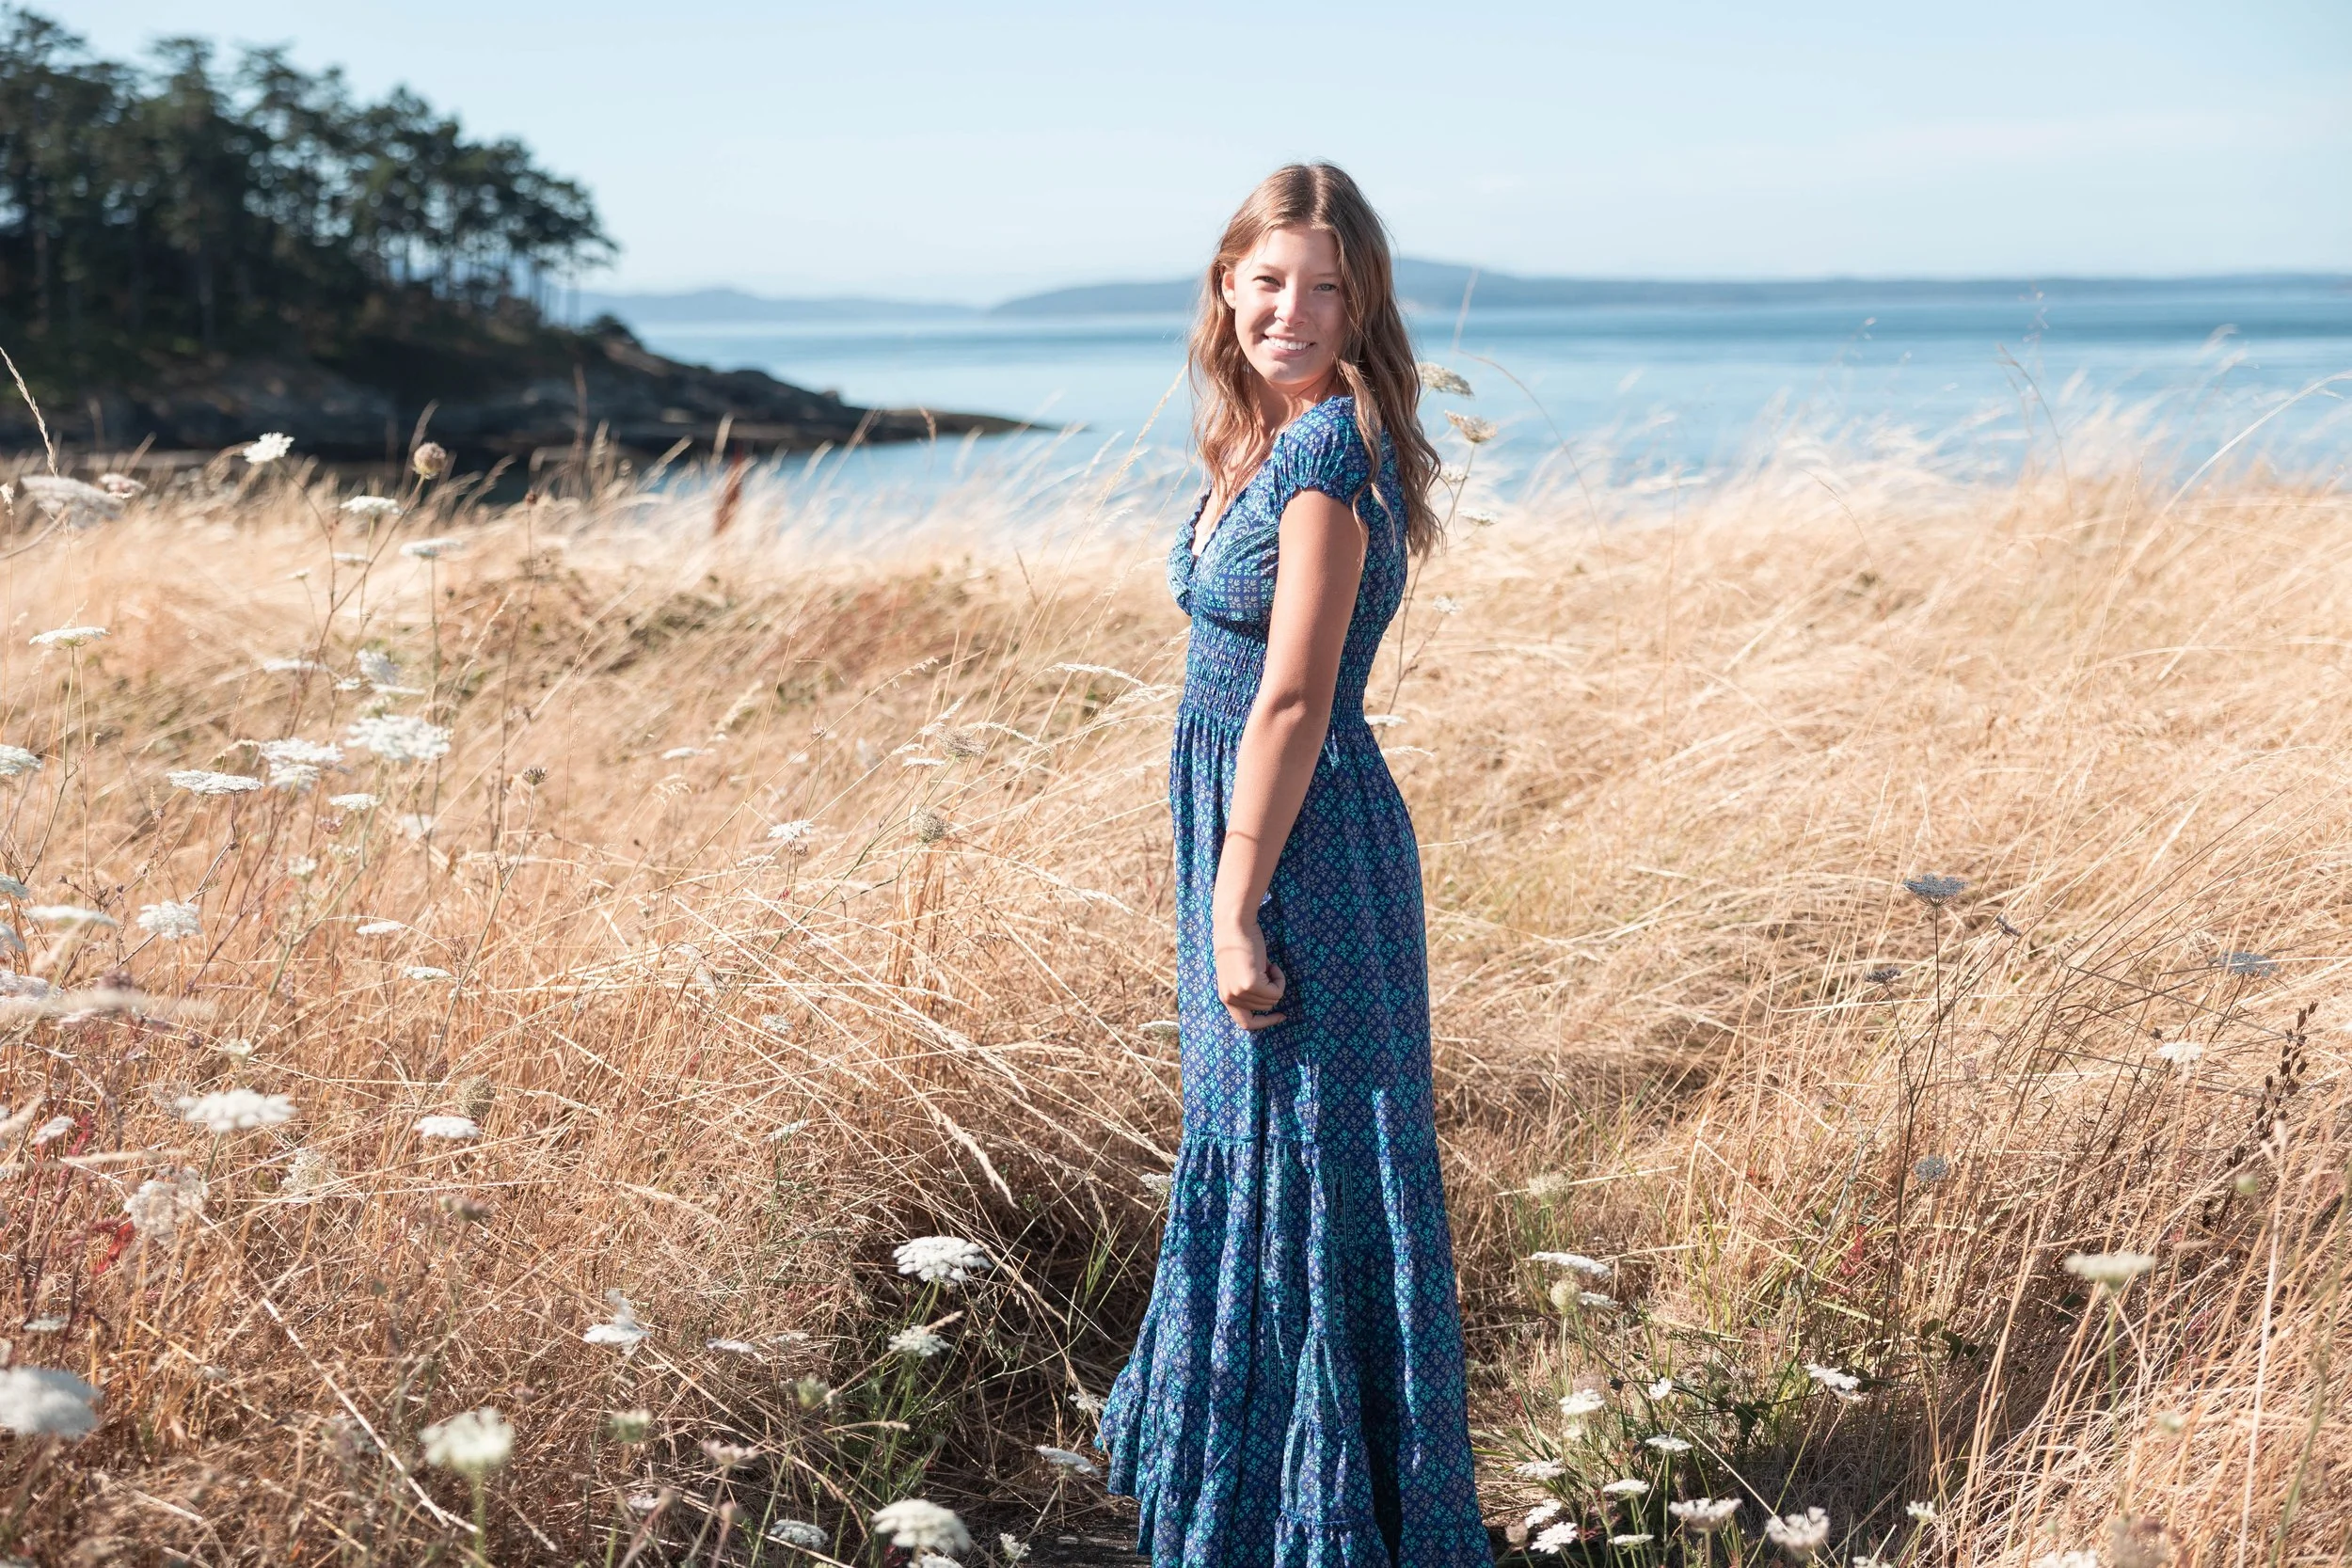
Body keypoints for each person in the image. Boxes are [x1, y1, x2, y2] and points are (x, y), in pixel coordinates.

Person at [1097, 163, 1492, 1568]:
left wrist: (1232, 894)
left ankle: (1327, 1521)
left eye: (1329, 286)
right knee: (1261, 1146)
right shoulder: (1249, 444)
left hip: (1299, 842)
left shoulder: (1325, 455)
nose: (1296, 309)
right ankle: (1261, 1502)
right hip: (1255, 828)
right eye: (1271, 279)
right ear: (1226, 285)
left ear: (1363, 302)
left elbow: (1293, 698)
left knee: (1308, 1157)